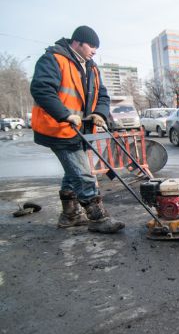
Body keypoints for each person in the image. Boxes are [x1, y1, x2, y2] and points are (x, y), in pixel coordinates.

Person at [30, 26, 124, 234]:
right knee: (83, 173)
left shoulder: (91, 67)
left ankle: (70, 215)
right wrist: (64, 114)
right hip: (58, 127)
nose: (94, 51)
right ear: (77, 42)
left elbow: (103, 96)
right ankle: (98, 219)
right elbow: (41, 88)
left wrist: (99, 113)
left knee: (73, 172)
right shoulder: (54, 59)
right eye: (91, 46)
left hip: (81, 129)